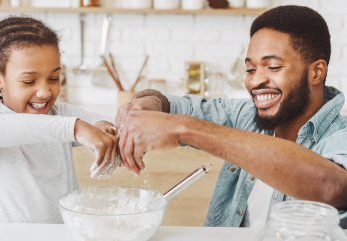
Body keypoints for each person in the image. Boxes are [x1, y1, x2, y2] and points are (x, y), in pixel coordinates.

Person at [116, 5, 347, 228]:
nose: (255, 81)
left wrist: (184, 128)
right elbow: (166, 103)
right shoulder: (245, 116)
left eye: (273, 67)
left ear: (316, 71)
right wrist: (143, 106)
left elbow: (331, 186)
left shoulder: (341, 135)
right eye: (250, 69)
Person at [0, 17, 119, 223]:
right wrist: (76, 128)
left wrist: (104, 128)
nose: (45, 92)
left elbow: (103, 124)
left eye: (54, 78)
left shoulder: (59, 113)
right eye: (29, 81)